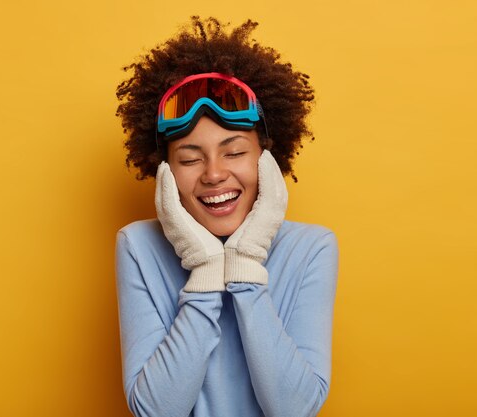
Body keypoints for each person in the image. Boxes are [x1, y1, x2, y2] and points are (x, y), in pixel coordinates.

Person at [114, 16, 339, 417]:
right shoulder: (138, 246)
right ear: (164, 171)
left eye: (234, 152)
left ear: (267, 159)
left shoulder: (312, 247)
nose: (214, 173)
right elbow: (155, 412)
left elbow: (294, 409)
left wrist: (246, 265)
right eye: (188, 158)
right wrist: (205, 270)